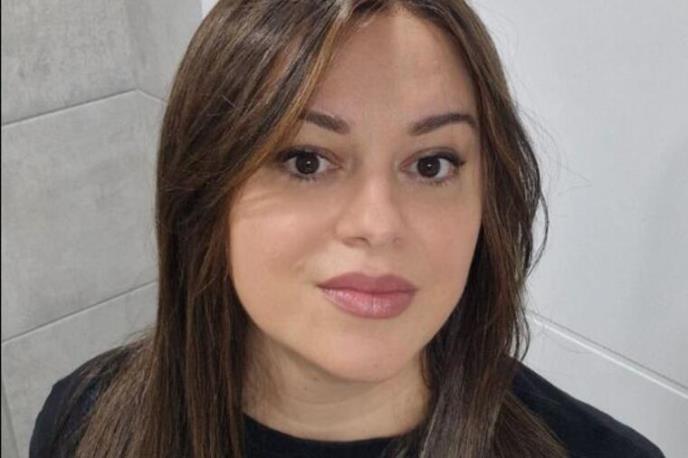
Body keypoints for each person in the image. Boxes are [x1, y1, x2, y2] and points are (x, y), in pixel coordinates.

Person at [29, 1, 665, 457]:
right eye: (306, 161)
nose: (378, 225)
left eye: (432, 164)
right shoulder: (85, 421)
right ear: (204, 191)